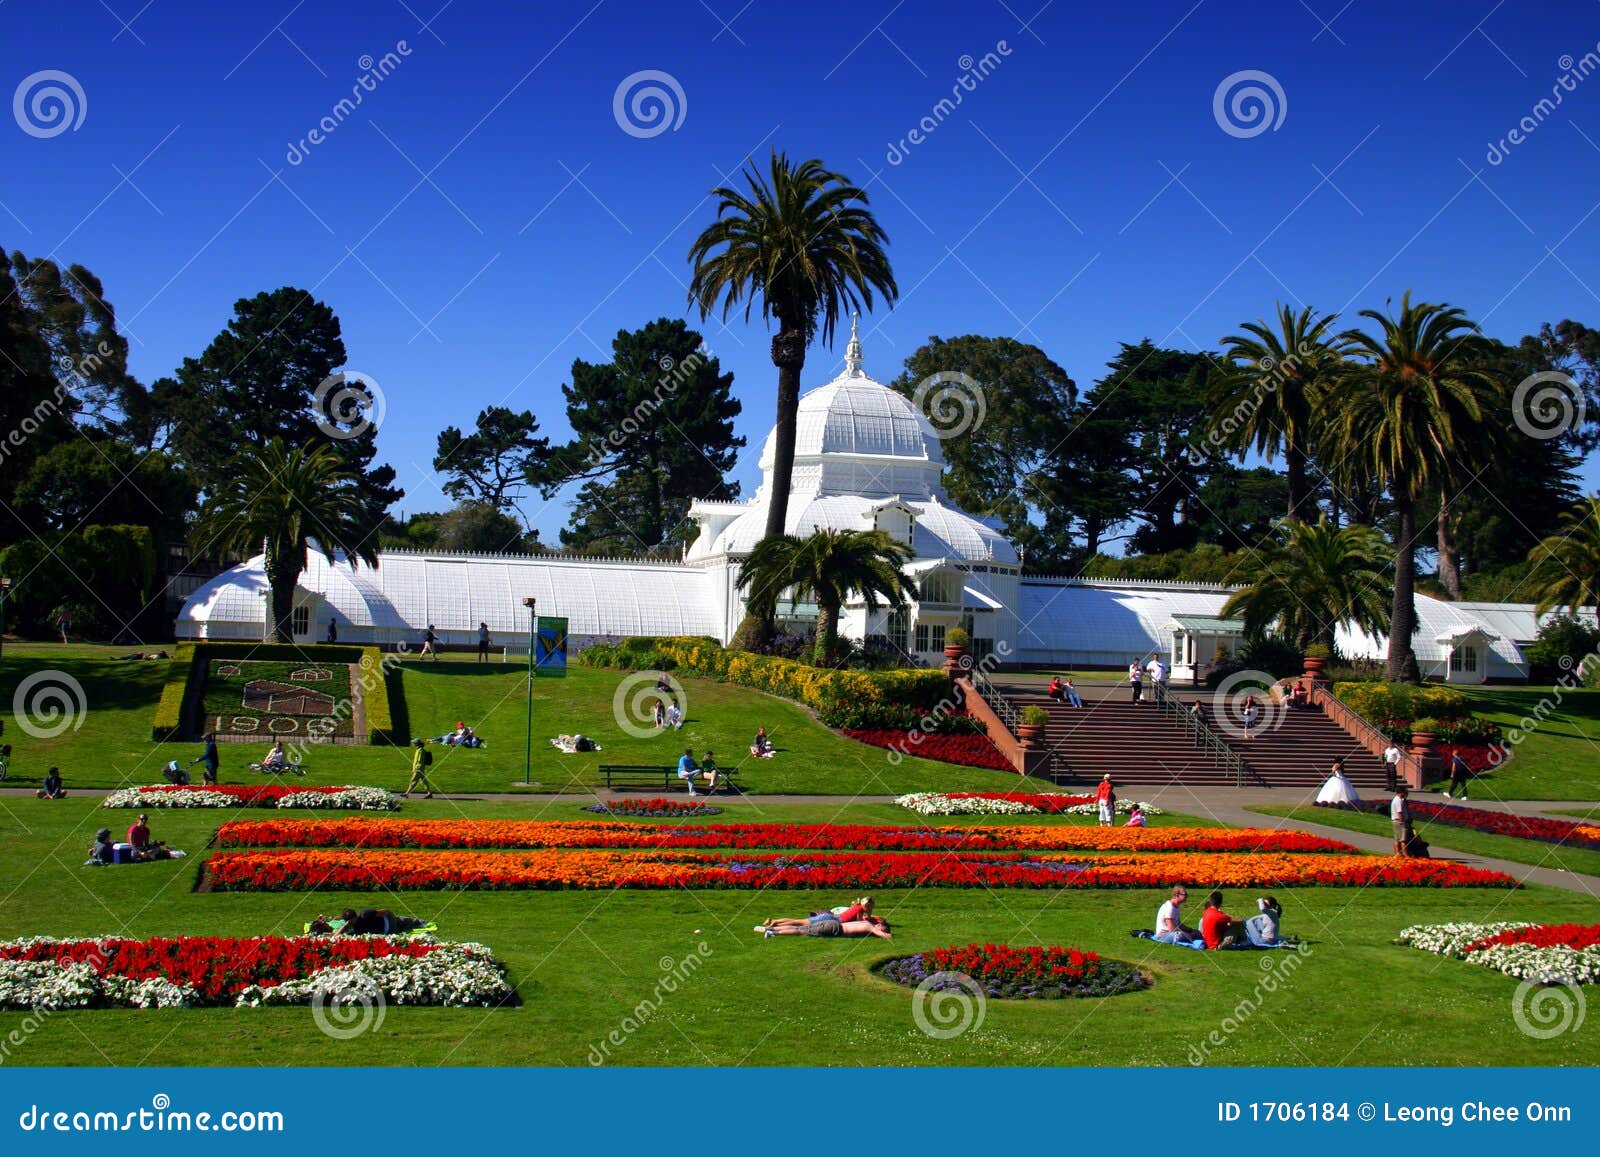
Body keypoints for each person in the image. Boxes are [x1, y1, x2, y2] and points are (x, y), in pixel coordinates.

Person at [760, 897, 873, 930]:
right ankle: (774, 922)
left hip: (831, 917)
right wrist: (868, 915)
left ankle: (773, 922)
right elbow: (859, 922)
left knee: (798, 922)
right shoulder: (860, 909)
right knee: (799, 923)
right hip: (832, 919)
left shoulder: (856, 905)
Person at [762, 913, 892, 939]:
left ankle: (772, 929)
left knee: (799, 927)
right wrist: (889, 934)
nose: (881, 929)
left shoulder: (867, 923)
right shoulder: (870, 927)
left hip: (833, 924)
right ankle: (774, 932)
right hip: (835, 928)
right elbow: (886, 936)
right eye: (883, 928)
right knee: (800, 931)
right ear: (879, 925)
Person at [1390, 784, 1412, 856]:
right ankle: (1406, 855)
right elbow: (1399, 812)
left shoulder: (1396, 799)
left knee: (1397, 839)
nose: (1406, 794)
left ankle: (1398, 854)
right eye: (1405, 792)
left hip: (1395, 821)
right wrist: (1402, 821)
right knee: (1403, 840)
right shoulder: (1398, 801)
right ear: (1401, 792)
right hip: (1400, 822)